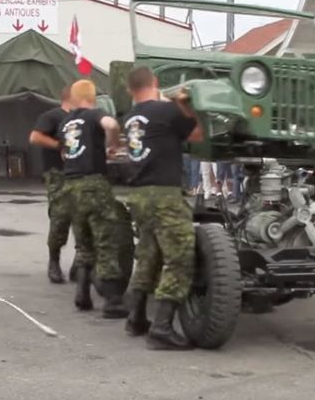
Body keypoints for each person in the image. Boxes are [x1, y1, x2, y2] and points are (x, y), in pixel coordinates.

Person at [122, 66, 202, 350]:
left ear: (130, 89)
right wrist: (186, 105)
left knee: (148, 254)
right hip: (164, 193)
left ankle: (136, 318)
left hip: (139, 193)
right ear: (154, 83)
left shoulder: (131, 117)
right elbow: (197, 135)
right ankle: (162, 327)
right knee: (180, 257)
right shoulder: (166, 111)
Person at [59, 79, 128, 318]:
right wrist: (113, 144)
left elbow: (64, 152)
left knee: (84, 242)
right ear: (92, 98)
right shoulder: (94, 114)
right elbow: (111, 124)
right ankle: (112, 301)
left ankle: (82, 294)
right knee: (106, 241)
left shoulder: (66, 122)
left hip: (70, 185)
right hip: (93, 183)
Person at [29, 86, 80, 284]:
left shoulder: (82, 119)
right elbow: (35, 137)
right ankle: (54, 262)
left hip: (79, 174)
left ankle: (79, 264)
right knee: (60, 218)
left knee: (82, 219)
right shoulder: (53, 116)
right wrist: (59, 145)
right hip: (58, 173)